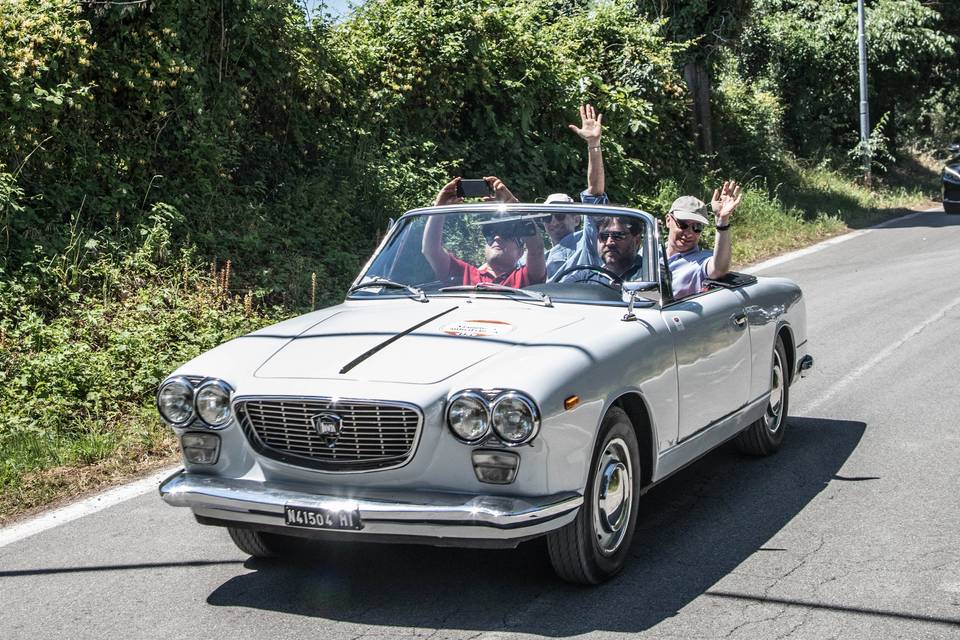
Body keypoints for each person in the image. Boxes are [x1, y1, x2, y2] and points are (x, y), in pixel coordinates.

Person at [422, 176, 546, 287]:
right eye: (490, 234)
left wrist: (514, 206)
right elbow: (431, 250)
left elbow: (537, 250)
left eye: (506, 234)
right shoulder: (465, 273)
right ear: (484, 247)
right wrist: (438, 208)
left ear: (520, 252)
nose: (497, 238)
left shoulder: (525, 277)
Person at [664, 180, 742, 298]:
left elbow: (718, 269)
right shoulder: (651, 253)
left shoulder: (700, 261)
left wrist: (722, 222)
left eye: (697, 227)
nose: (689, 233)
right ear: (668, 220)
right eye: (683, 224)